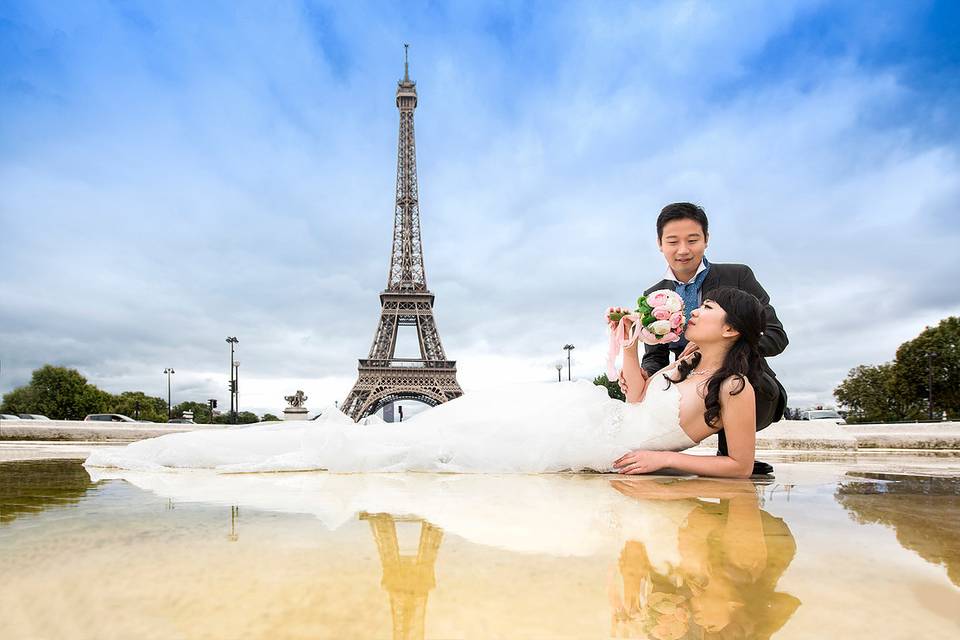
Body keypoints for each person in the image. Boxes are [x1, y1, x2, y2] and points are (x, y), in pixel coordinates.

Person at [85, 287, 766, 479]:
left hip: (606, 440)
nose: (695, 310)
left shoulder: (735, 391)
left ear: (730, 330)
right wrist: (623, 350)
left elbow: (737, 464)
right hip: (600, 419)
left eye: (707, 309)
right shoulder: (683, 364)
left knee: (466, 446)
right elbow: (637, 398)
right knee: (454, 433)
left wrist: (664, 461)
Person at [628, 202, 788, 475]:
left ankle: (733, 450)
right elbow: (655, 354)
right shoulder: (654, 293)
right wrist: (644, 373)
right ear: (659, 243)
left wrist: (718, 349)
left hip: (746, 380)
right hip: (686, 380)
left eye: (692, 240)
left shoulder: (737, 276)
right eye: (673, 241)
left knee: (733, 381)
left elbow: (776, 336)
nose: (683, 250)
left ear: (706, 239)